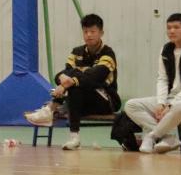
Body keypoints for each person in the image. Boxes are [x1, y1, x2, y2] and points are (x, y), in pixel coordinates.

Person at [23, 13, 119, 150]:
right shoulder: (76, 52)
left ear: (101, 33)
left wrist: (68, 82)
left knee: (77, 82)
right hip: (82, 99)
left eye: (93, 31)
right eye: (85, 31)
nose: (89, 35)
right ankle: (74, 138)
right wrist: (63, 79)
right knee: (73, 84)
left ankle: (50, 109)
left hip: (105, 101)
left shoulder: (108, 54)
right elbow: (62, 75)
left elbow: (94, 77)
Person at [124, 13, 181, 154]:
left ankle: (152, 136)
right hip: (170, 99)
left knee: (178, 107)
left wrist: (171, 105)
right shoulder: (166, 50)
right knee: (131, 105)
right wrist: (161, 103)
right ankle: (168, 137)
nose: (172, 31)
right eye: (169, 28)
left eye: (176, 27)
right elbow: (162, 79)